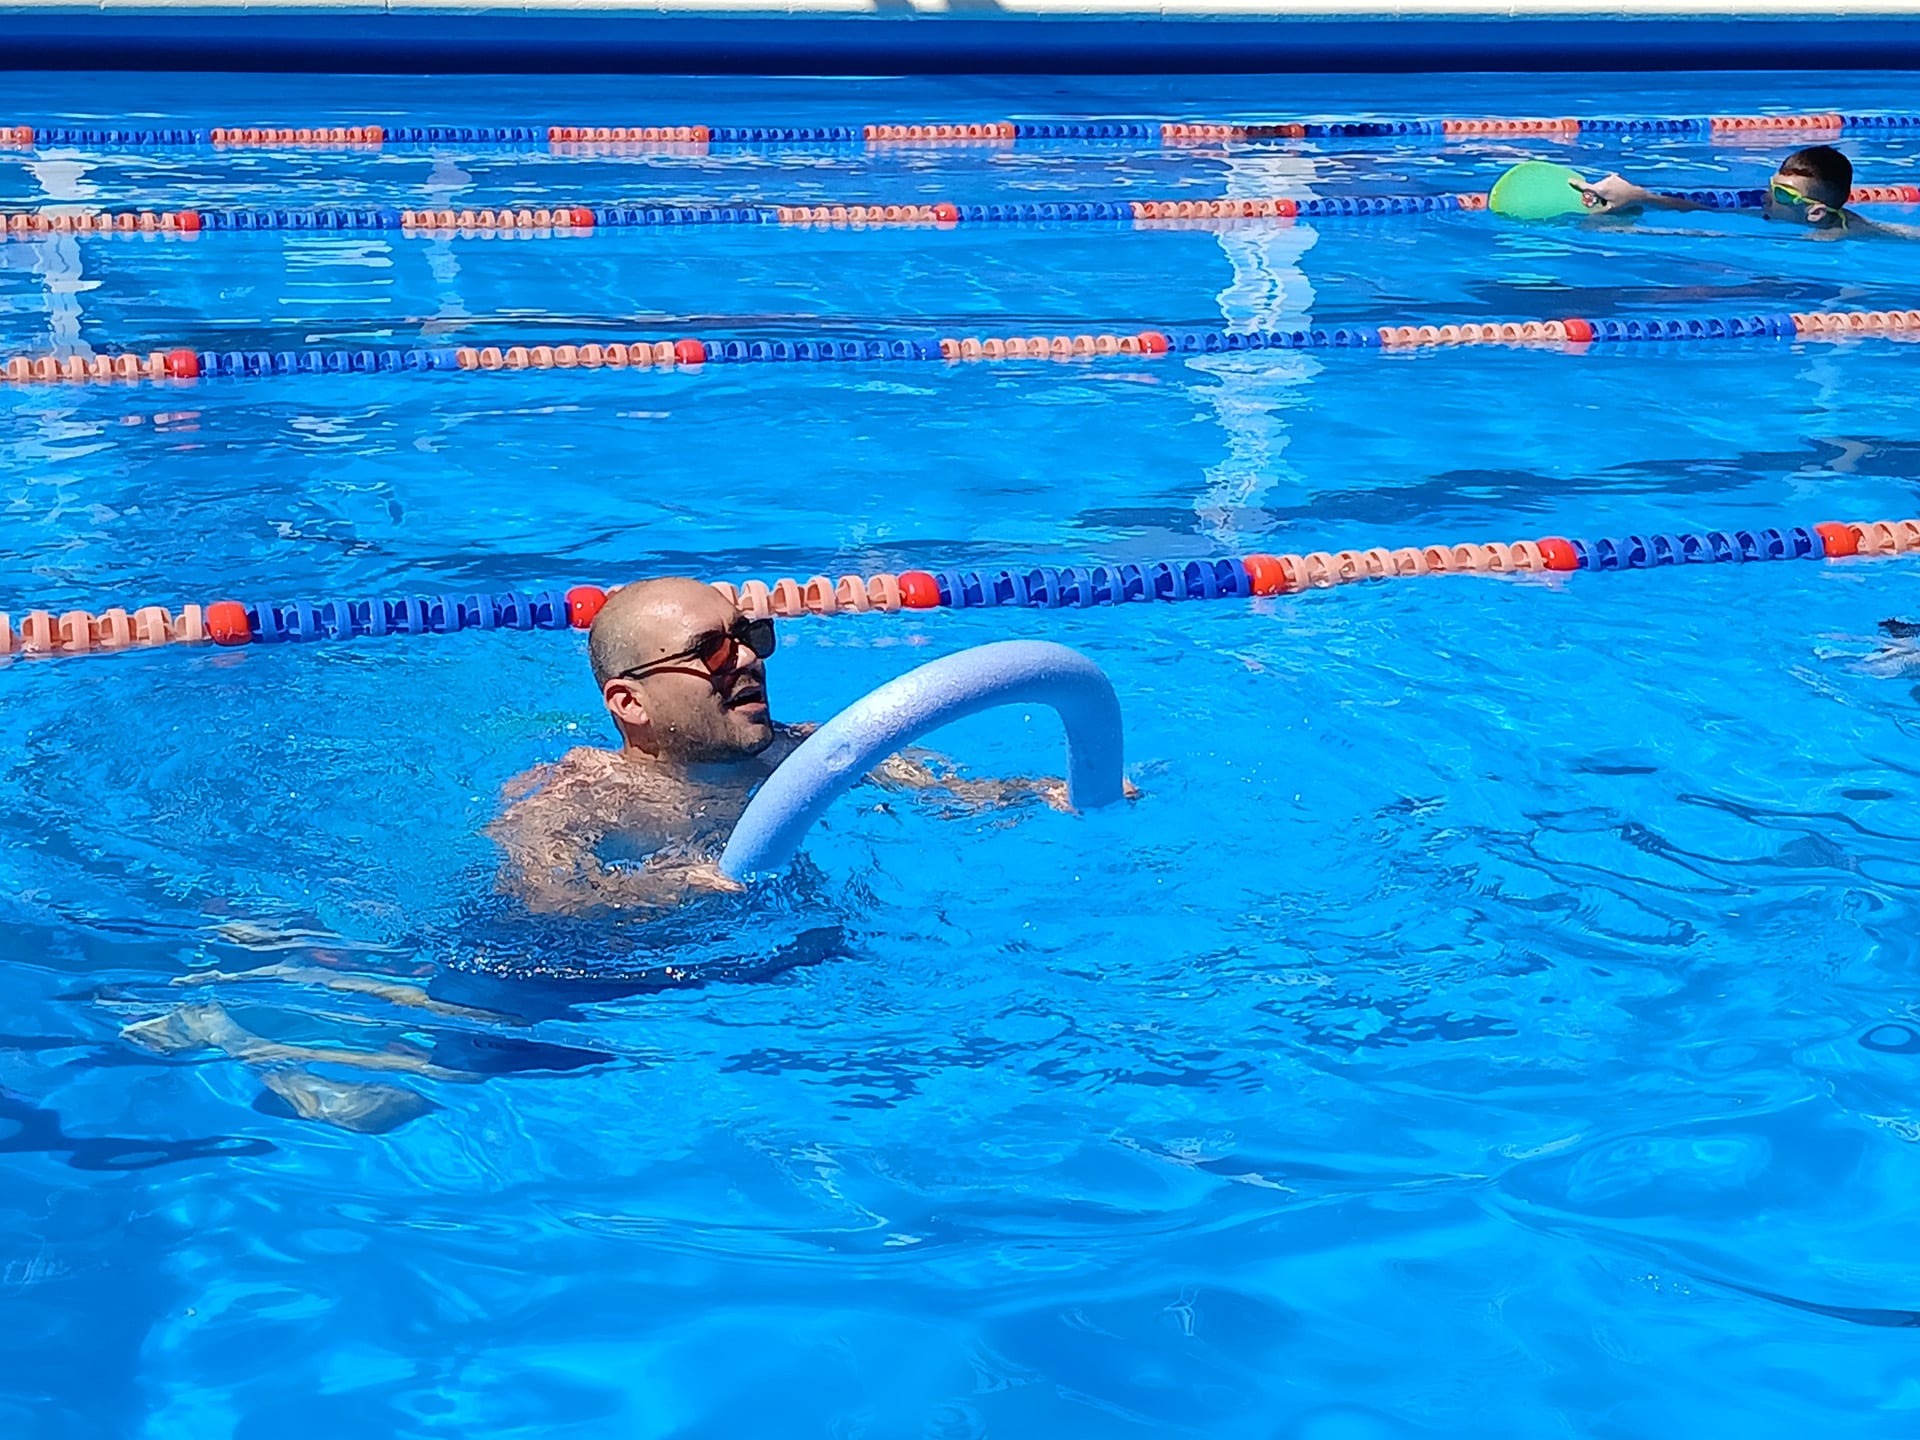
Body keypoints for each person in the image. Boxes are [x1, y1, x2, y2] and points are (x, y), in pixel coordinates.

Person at [486, 575, 1104, 915]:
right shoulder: (579, 796)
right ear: (630, 703)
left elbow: (949, 793)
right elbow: (544, 901)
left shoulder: (802, 751)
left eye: (750, 634)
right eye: (713, 651)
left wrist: (1039, 794)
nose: (749, 657)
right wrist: (670, 887)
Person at [1576, 144, 1917, 239]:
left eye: (1784, 195)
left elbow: (1711, 234)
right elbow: (1707, 214)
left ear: (1815, 213)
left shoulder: (1825, 237)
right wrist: (1640, 197)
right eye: (1771, 187)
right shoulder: (1776, 216)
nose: (1768, 198)